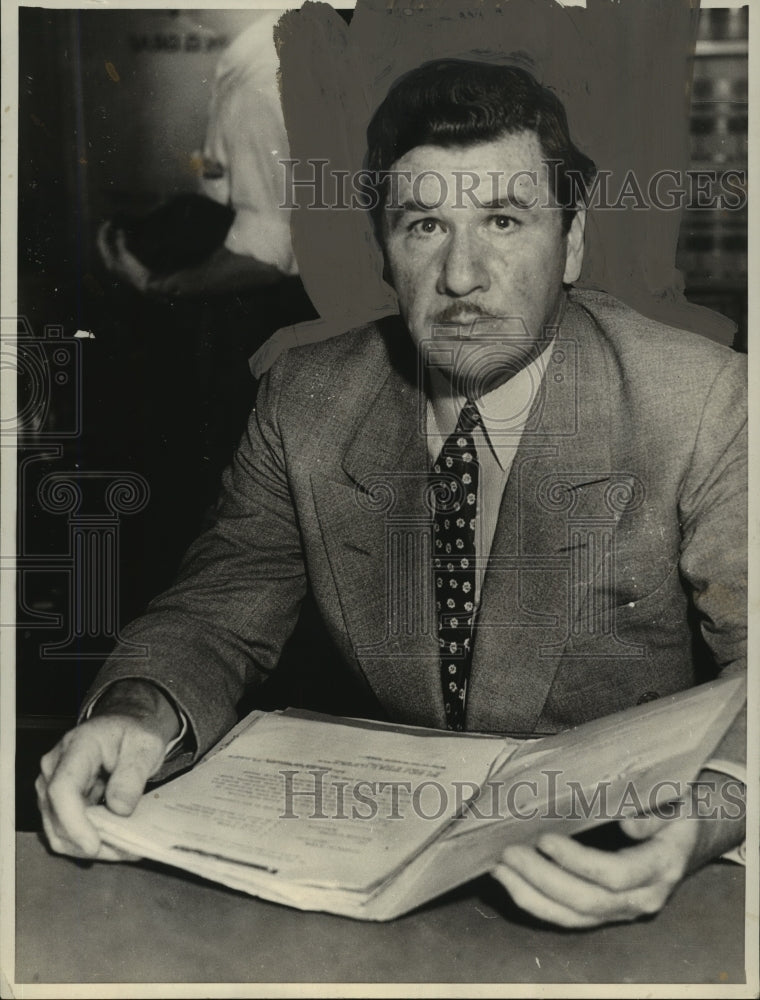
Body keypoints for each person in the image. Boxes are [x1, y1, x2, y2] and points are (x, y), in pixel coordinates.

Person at [37, 60, 746, 929]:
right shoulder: (308, 399)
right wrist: (137, 712)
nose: (460, 276)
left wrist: (705, 819)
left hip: (616, 873)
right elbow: (215, 613)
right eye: (424, 225)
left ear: (573, 242)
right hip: (378, 882)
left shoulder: (701, 400)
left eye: (504, 219)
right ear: (383, 247)